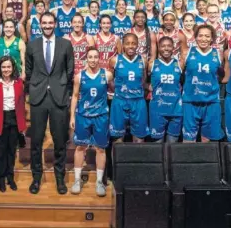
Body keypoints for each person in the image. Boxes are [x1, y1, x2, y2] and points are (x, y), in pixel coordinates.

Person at [25, 12, 74, 195]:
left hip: (58, 96)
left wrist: (61, 87)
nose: (47, 26)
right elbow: (29, 70)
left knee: (60, 140)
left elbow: (70, 70)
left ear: (55, 24)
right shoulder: (32, 45)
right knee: (36, 141)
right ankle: (36, 178)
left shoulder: (66, 44)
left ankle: (60, 178)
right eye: (44, 23)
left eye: (50, 23)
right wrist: (35, 86)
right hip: (38, 97)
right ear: (40, 24)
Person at [69, 46, 113, 197]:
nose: (93, 60)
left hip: (101, 116)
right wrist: (72, 116)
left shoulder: (106, 75)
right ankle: (76, 179)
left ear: (99, 58)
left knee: (101, 149)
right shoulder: (79, 76)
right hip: (83, 116)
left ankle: (99, 181)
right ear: (86, 59)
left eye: (95, 57)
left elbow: (113, 90)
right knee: (80, 147)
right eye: (90, 57)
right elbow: (75, 96)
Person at [0, 56, 27, 192]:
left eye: (9, 67)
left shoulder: (19, 82)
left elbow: (21, 105)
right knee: (1, 152)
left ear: (13, 67)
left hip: (14, 119)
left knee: (11, 151)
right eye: (4, 67)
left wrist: (22, 125)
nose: (6, 69)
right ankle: (1, 177)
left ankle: (10, 176)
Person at [180, 24, 224, 142]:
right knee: (188, 140)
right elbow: (179, 74)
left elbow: (222, 76)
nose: (203, 39)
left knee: (207, 141)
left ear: (212, 38)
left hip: (211, 102)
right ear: (195, 37)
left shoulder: (218, 54)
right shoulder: (186, 52)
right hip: (190, 101)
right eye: (200, 36)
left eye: (207, 36)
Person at [109, 33, 149, 142]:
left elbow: (144, 80)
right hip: (120, 101)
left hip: (138, 102)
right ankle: (118, 160)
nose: (130, 46)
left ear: (137, 45)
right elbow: (110, 80)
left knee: (139, 139)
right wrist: (118, 91)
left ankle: (137, 160)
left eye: (133, 43)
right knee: (118, 140)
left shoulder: (143, 60)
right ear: (123, 45)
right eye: (127, 43)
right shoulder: (115, 60)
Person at [149, 37, 183, 142]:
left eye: (169, 46)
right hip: (157, 110)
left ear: (173, 48)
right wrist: (149, 87)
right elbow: (143, 82)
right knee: (158, 147)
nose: (166, 48)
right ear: (159, 48)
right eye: (163, 46)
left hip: (175, 109)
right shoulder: (152, 64)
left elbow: (183, 82)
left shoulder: (180, 64)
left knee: (172, 147)